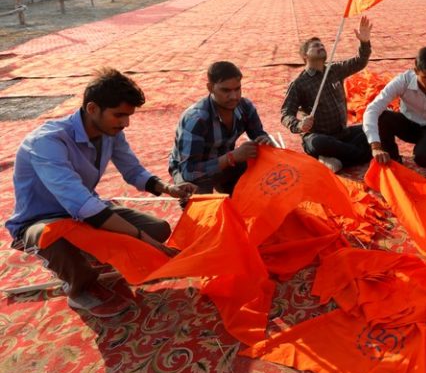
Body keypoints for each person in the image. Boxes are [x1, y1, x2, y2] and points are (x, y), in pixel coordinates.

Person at [6, 69, 195, 318]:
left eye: (128, 116)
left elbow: (133, 171)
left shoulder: (110, 133)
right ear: (93, 108)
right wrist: (142, 239)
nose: (125, 123)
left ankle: (85, 250)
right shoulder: (47, 142)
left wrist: (167, 188)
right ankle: (78, 288)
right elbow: (81, 203)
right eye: (119, 115)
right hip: (43, 219)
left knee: (158, 229)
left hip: (86, 211)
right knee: (57, 240)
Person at [280, 16, 373, 173]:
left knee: (373, 127)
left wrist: (364, 42)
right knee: (318, 143)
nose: (321, 46)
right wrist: (299, 125)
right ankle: (363, 154)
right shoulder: (299, 83)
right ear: (305, 56)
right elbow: (285, 114)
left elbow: (360, 61)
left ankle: (335, 159)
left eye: (322, 44)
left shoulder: (335, 70)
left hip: (343, 133)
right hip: (319, 136)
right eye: (315, 46)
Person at [169, 61, 272, 195]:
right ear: (210, 88)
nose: (234, 96)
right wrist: (230, 158)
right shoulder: (196, 119)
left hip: (225, 162)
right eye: (226, 90)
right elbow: (189, 171)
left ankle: (229, 188)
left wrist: (265, 141)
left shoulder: (245, 107)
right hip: (193, 172)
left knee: (265, 178)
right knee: (198, 203)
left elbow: (259, 135)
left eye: (237, 89)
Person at [363, 46, 426, 175]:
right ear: (416, 71)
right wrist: (376, 146)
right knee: (383, 117)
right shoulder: (402, 81)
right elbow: (373, 109)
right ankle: (393, 159)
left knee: (423, 157)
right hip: (408, 124)